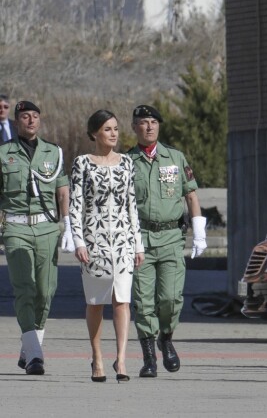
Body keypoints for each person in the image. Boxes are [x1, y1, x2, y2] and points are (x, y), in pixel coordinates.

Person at [65, 109, 145, 382]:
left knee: (122, 301)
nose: (114, 134)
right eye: (108, 129)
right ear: (95, 133)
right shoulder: (82, 163)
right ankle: (97, 356)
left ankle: (121, 360)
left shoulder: (126, 163)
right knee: (96, 302)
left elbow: (131, 206)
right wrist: (78, 241)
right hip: (94, 241)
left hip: (122, 241)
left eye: (116, 129)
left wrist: (138, 244)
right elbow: (75, 206)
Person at [127, 105, 206, 378]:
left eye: (153, 122)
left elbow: (191, 195)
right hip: (140, 240)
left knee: (171, 298)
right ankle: (149, 357)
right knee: (143, 301)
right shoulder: (127, 162)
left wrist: (199, 232)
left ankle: (167, 338)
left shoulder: (175, 157)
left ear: (159, 126)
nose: (149, 127)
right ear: (134, 127)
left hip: (172, 237)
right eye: (143, 122)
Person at [0, 100, 69, 375]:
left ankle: (29, 346)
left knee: (45, 290)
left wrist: (70, 227)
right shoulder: (4, 153)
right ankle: (35, 355)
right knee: (24, 288)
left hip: (47, 228)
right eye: (25, 116)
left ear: (40, 121)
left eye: (35, 116)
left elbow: (62, 190)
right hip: (16, 228)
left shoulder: (53, 152)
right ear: (17, 122)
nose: (30, 120)